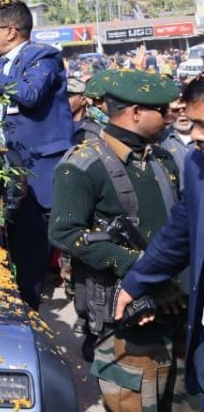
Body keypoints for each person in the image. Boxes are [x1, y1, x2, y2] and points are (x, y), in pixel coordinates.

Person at [49, 70, 192, 409]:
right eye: (162, 110)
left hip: (173, 308)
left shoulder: (162, 158)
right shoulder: (83, 164)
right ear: (135, 112)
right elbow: (65, 232)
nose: (170, 117)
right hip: (126, 317)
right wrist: (141, 268)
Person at [0, 0, 74, 309]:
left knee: (31, 247)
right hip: (3, 169)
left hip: (36, 172)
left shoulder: (42, 56)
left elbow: (29, 94)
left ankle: (28, 311)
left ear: (11, 30)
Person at [116, 76, 204, 399]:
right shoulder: (197, 164)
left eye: (201, 124)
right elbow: (180, 232)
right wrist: (135, 281)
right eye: (193, 123)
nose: (194, 134)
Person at [162, 96, 196, 176]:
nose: (182, 114)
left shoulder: (201, 135)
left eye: (185, 109)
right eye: (176, 110)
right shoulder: (161, 138)